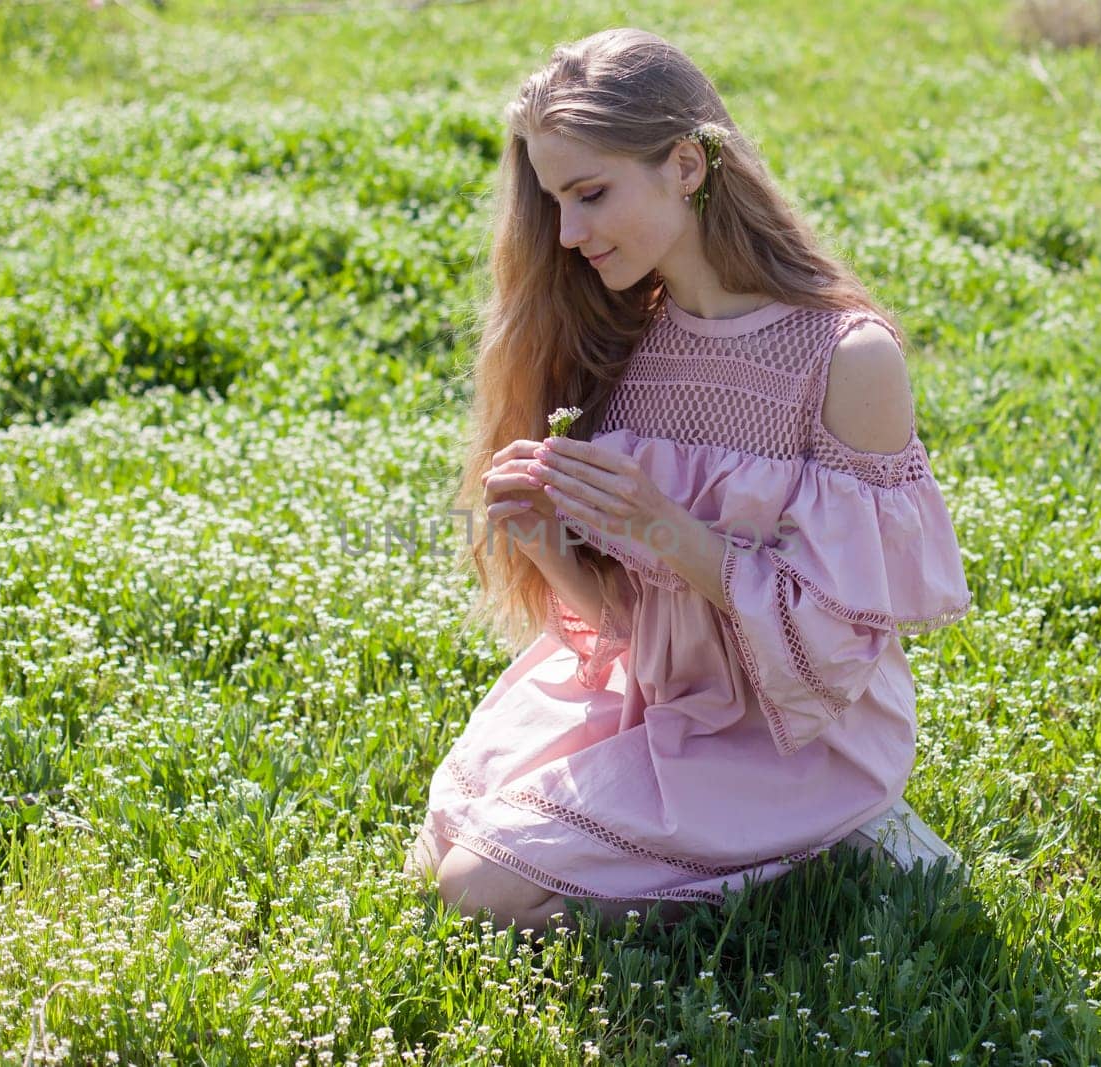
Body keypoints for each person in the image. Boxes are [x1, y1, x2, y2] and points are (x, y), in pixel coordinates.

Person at [403, 27, 973, 938]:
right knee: (444, 849)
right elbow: (637, 625)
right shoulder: (626, 342)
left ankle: (831, 841)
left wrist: (666, 528)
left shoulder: (844, 360)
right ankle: (765, 856)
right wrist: (546, 540)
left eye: (591, 194)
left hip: (795, 739)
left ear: (684, 165)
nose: (569, 233)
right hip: (659, 702)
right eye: (554, 201)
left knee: (481, 888)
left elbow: (840, 644)